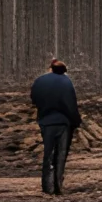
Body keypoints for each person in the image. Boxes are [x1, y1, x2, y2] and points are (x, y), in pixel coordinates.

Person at [31, 60, 80, 195]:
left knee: (48, 153)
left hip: (46, 121)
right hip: (63, 122)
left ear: (50, 68)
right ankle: (58, 186)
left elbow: (33, 99)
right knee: (61, 154)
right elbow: (71, 104)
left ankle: (47, 187)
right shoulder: (67, 82)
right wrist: (76, 122)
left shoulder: (40, 81)